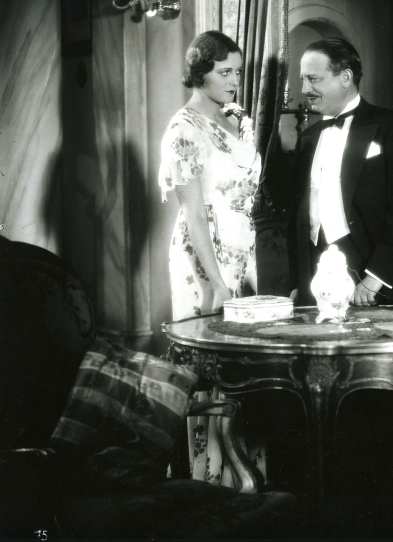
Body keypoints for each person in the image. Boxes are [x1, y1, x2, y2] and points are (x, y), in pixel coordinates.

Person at [158, 30, 261, 486]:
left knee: (245, 365)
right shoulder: (183, 128)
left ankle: (247, 477)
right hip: (204, 257)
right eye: (225, 72)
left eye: (238, 72)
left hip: (245, 251)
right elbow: (194, 213)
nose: (235, 81)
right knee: (211, 367)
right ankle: (208, 480)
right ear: (200, 73)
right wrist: (217, 282)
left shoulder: (238, 118)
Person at [287, 37, 393, 307]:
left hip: (372, 277)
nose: (305, 89)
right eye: (303, 79)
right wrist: (298, 282)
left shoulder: (391, 126)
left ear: (345, 77)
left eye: (314, 79)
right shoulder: (307, 138)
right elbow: (297, 216)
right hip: (315, 278)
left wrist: (375, 277)